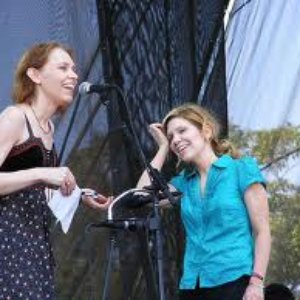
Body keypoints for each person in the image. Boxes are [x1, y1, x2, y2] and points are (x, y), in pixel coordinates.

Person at [0, 42, 110, 299]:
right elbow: (36, 178)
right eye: (63, 68)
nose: (73, 75)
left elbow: (32, 188)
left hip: (34, 248)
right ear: (35, 75)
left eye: (74, 69)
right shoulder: (15, 117)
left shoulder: (47, 128)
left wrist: (82, 195)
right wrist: (42, 173)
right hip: (7, 246)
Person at [137, 103, 271, 300]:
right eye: (171, 136)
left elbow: (262, 231)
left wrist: (256, 282)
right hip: (192, 285)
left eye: (182, 130)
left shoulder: (241, 169)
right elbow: (141, 196)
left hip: (235, 282)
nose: (176, 140)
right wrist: (162, 148)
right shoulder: (183, 183)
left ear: (206, 131)